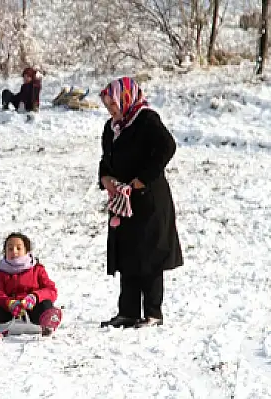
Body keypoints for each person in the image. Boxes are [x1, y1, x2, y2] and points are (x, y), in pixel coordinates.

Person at [98, 77, 183, 329]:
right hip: (122, 201)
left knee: (150, 255)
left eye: (113, 104)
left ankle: (153, 313)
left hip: (149, 200)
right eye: (108, 106)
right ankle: (128, 311)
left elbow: (167, 147)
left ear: (126, 98)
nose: (111, 110)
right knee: (127, 253)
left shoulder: (146, 120)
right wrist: (105, 178)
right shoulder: (112, 127)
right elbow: (106, 158)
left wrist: (142, 180)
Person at [0, 233, 62, 341]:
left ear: (26, 251)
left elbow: (51, 290)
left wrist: (35, 297)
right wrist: (9, 303)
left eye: (18, 248)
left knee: (46, 303)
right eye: (10, 248)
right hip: (8, 312)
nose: (14, 251)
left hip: (33, 311)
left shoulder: (37, 270)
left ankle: (48, 326)